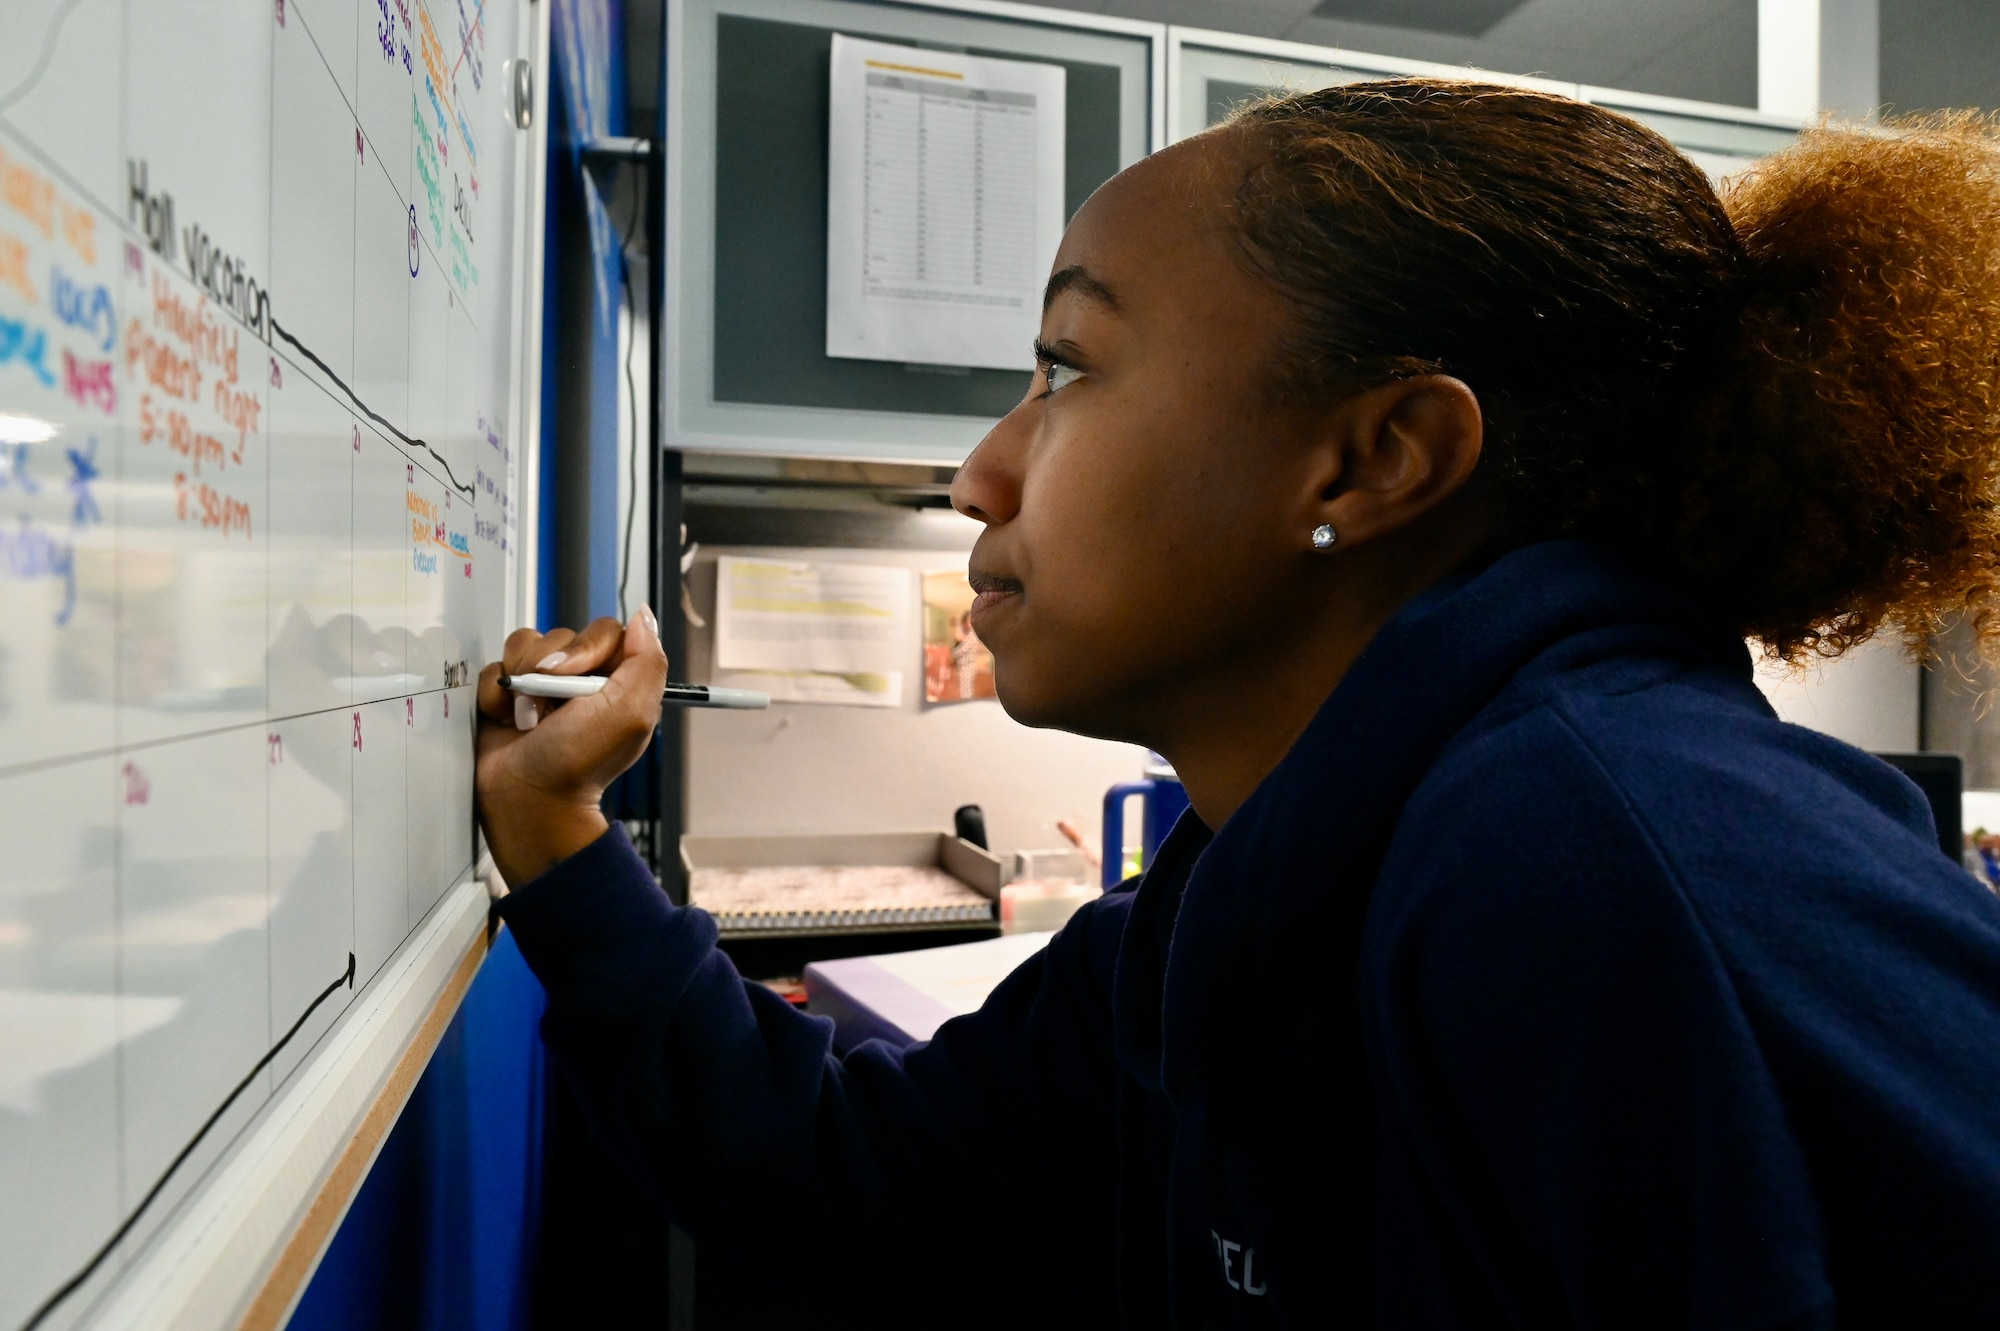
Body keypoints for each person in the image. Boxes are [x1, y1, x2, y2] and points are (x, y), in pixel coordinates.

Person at [475, 82, 2000, 1327]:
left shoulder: (1598, 862)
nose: (979, 475)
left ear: (1372, 459)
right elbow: (865, 1187)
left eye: (1070, 367)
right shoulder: (1261, 886)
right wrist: (558, 833)